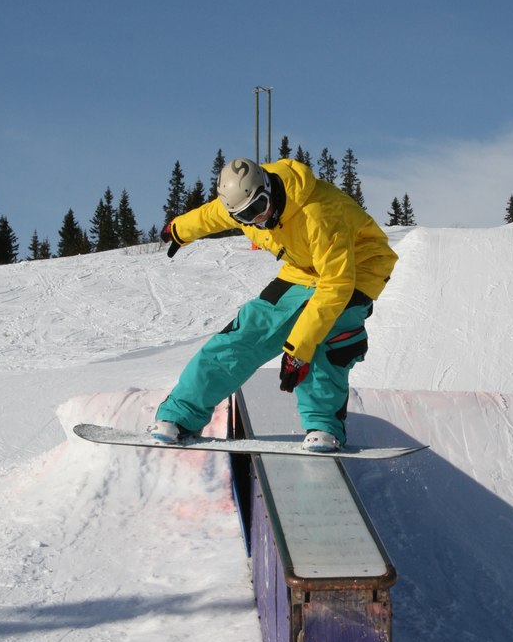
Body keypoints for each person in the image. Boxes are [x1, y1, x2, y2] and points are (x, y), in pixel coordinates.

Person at [151, 157, 398, 451]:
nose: (256, 219)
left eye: (259, 207)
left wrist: (298, 350)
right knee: (243, 334)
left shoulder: (318, 213)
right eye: (244, 216)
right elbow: (212, 215)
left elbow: (336, 285)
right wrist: (179, 229)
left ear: (268, 188)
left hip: (357, 269)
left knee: (327, 340)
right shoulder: (243, 206)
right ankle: (180, 415)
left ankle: (324, 426)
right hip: (302, 270)